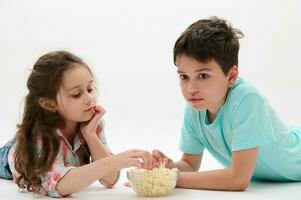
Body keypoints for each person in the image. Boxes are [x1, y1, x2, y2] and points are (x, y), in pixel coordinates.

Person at [152, 16, 301, 191]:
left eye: (203, 76)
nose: (191, 89)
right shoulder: (195, 106)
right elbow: (190, 165)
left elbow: (238, 180)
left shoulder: (247, 99)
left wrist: (170, 179)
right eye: (184, 76)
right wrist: (167, 169)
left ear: (231, 76)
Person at [0, 51, 157, 197]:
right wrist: (111, 161)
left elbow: (109, 179)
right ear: (49, 104)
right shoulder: (40, 134)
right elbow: (57, 186)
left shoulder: (92, 124)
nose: (89, 98)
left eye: (90, 88)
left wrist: (90, 135)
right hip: (12, 155)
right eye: (77, 94)